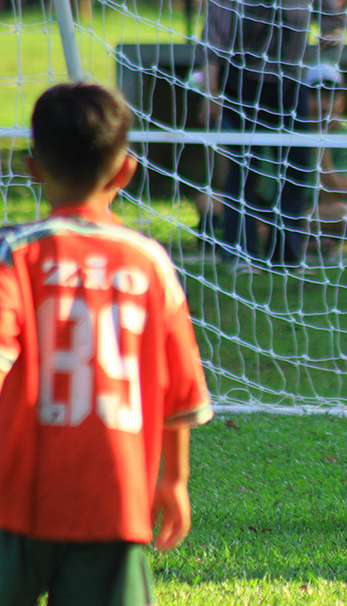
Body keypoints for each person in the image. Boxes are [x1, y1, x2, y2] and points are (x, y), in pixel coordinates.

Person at [0, 82, 214, 604]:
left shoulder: (15, 255)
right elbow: (180, 395)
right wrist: (174, 480)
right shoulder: (150, 264)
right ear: (125, 171)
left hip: (16, 489)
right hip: (114, 497)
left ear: (33, 169)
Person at [203, 0, 346, 272]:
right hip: (243, 82)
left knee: (295, 171)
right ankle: (240, 254)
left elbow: (334, 21)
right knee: (245, 170)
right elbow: (214, 38)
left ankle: (288, 254)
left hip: (290, 84)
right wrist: (211, 91)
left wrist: (334, 34)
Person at [302, 63, 347, 250]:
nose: (323, 105)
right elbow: (263, 193)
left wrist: (321, 145)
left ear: (342, 101)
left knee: (340, 214)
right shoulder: (287, 129)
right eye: (315, 95)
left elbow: (339, 194)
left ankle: (292, 237)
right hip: (282, 211)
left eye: (330, 95)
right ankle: (303, 241)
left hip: (318, 214)